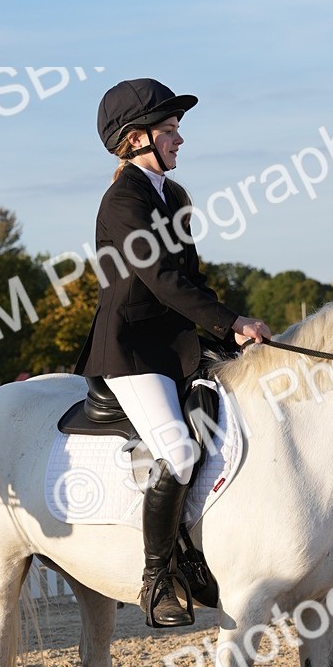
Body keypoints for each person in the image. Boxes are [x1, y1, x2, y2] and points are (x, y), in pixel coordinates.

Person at [80, 78, 271, 627]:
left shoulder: (175, 196)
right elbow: (162, 280)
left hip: (178, 345)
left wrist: (229, 331)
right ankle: (157, 578)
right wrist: (228, 321)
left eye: (177, 130)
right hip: (133, 351)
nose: (179, 139)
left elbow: (192, 278)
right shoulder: (123, 201)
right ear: (136, 139)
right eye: (169, 130)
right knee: (182, 454)